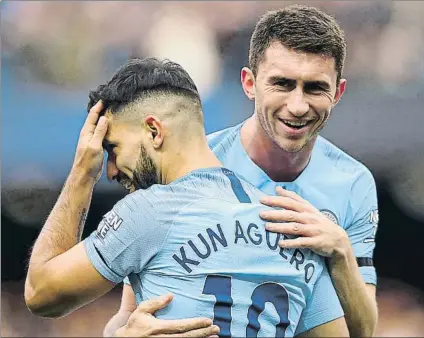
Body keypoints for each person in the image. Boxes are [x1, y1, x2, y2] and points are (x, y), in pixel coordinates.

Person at [24, 58, 348, 337]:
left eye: (112, 149)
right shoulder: (290, 222)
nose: (110, 170)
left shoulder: (149, 212)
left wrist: (82, 174)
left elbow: (41, 294)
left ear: (154, 131)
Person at [108, 4, 379, 338]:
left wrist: (340, 251)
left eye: (315, 88)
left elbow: (363, 331)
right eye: (282, 84)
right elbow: (125, 316)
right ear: (250, 83)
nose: (297, 106)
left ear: (337, 93)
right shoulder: (188, 166)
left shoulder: (353, 183)